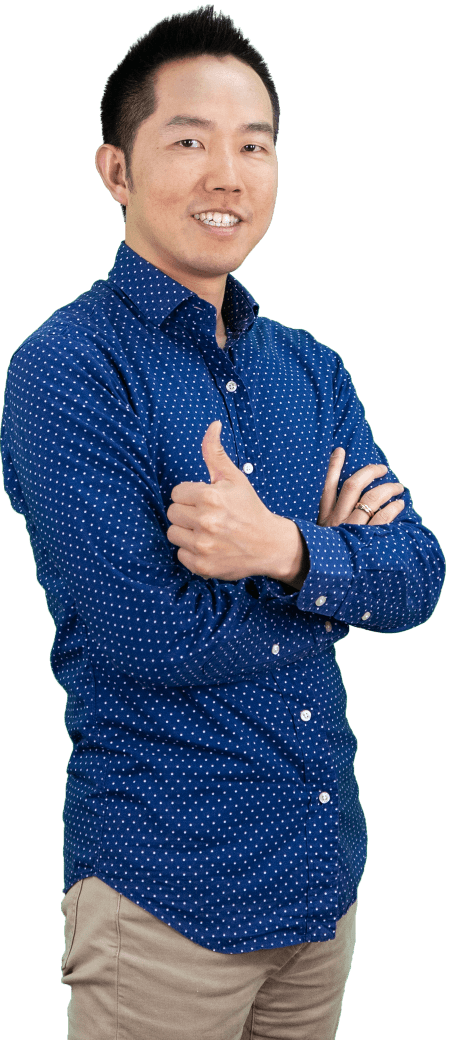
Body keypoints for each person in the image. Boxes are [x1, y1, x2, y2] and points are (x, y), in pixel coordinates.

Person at [0, 7, 445, 1040]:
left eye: (254, 146)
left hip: (322, 886)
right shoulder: (67, 369)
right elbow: (150, 633)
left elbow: (417, 572)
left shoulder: (311, 368)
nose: (228, 176)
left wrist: (281, 550)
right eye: (190, 141)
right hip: (166, 900)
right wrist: (333, 580)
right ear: (116, 170)